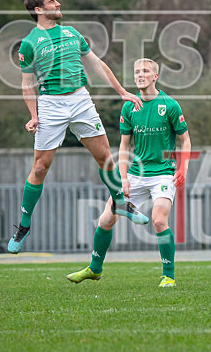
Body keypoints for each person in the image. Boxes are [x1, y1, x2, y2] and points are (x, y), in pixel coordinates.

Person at [7, 0, 148, 254]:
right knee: (39, 168)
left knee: (105, 156)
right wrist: (34, 116)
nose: (58, 4)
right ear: (39, 10)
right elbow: (27, 84)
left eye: (56, 0)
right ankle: (24, 226)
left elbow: (96, 64)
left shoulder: (72, 34)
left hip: (81, 101)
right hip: (51, 105)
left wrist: (122, 92)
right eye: (52, 1)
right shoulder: (29, 43)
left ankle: (120, 202)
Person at [67, 58, 191, 287]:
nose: (140, 75)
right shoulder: (129, 106)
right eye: (137, 71)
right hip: (136, 173)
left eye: (145, 71)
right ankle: (94, 269)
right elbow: (124, 147)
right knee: (106, 218)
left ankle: (169, 276)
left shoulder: (170, 105)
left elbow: (185, 140)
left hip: (163, 173)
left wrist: (183, 167)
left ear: (156, 76)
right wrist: (123, 179)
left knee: (158, 220)